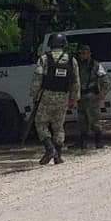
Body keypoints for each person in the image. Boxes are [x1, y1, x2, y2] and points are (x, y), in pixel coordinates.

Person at [31, 33, 79, 165]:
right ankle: (58, 156)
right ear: (64, 44)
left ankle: (50, 149)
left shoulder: (44, 59)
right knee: (58, 126)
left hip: (47, 95)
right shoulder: (72, 60)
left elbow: (37, 79)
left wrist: (34, 95)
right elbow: (76, 81)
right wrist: (74, 99)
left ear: (50, 44)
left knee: (40, 123)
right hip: (63, 96)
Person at [76, 44, 111, 150]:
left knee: (94, 120)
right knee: (82, 121)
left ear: (89, 53)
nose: (82, 55)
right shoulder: (76, 65)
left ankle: (99, 142)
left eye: (84, 53)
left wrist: (102, 93)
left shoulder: (96, 65)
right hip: (80, 96)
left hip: (92, 96)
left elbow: (106, 81)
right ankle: (83, 143)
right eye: (80, 53)